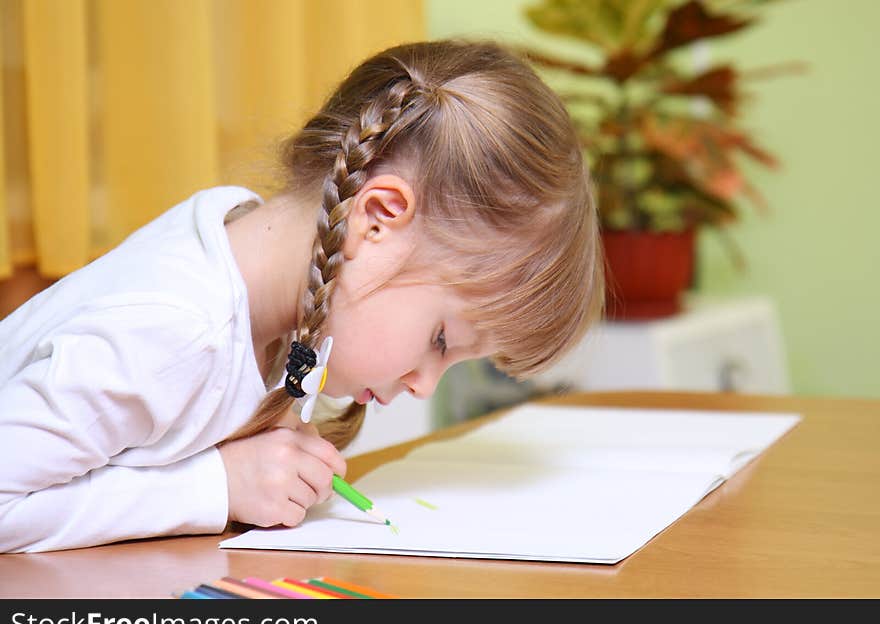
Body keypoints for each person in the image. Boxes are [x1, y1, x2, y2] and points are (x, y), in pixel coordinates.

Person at [0, 39, 604, 553]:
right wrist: (215, 488)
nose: (425, 384)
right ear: (377, 220)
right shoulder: (176, 331)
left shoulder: (252, 257)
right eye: (441, 340)